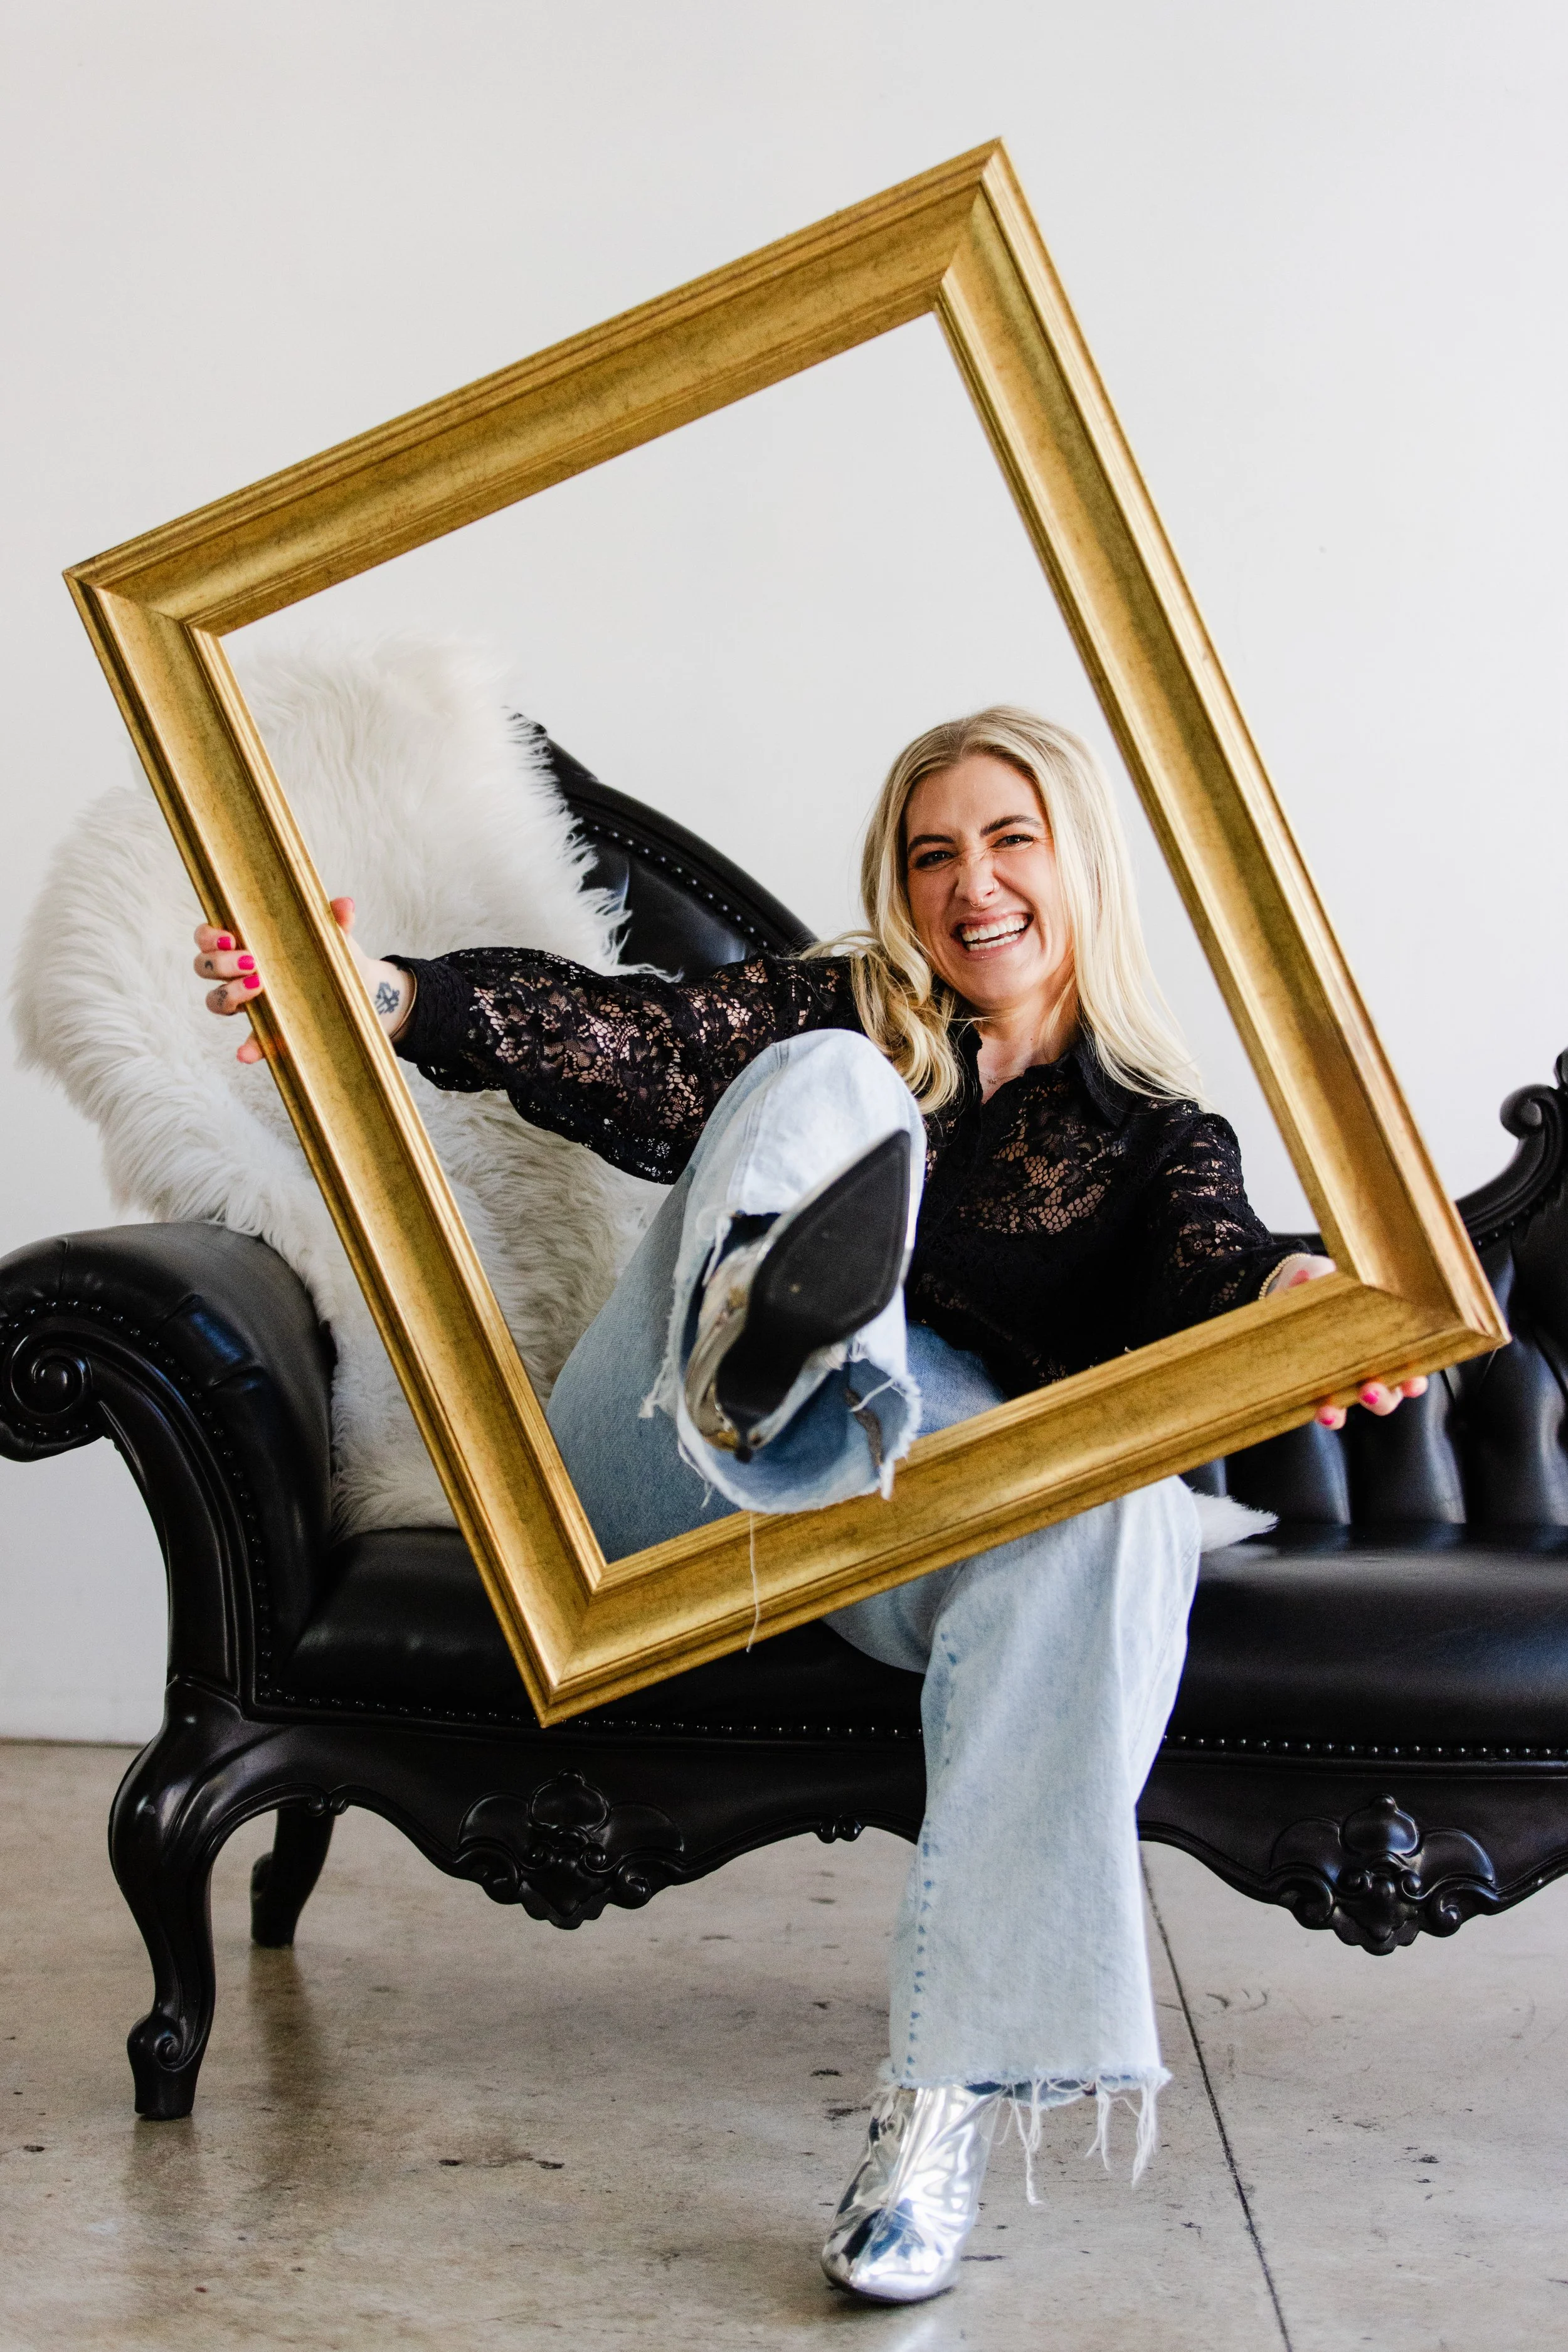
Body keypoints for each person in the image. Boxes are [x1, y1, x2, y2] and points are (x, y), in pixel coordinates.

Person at [194, 707, 1423, 2306]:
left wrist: (1297, 1294)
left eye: (1005, 841)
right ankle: (752, 1351)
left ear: (1075, 867)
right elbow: (617, 1038)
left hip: (870, 1525)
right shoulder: (841, 1002)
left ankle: (936, 2113)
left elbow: (1211, 1254)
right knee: (824, 1072)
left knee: (1116, 1512)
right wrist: (387, 994)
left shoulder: (1148, 1139)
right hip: (660, 1475)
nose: (967, 884)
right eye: (931, 853)